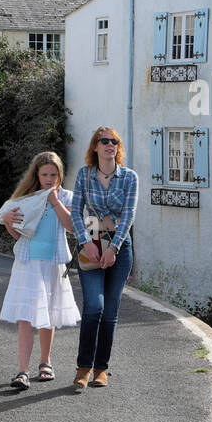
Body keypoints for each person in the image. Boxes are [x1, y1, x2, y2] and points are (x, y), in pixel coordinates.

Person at [0, 151, 80, 389]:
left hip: (53, 263)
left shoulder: (67, 197)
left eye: (54, 174)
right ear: (37, 174)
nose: (49, 179)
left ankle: (45, 362)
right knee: (26, 316)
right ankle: (22, 371)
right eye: (44, 174)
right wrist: (8, 221)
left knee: (48, 314)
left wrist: (54, 201)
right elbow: (10, 223)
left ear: (60, 174)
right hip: (28, 262)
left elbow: (72, 227)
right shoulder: (27, 197)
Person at [68, 127, 138, 393]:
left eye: (114, 141)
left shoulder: (129, 177)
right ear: (95, 146)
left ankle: (101, 369)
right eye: (104, 141)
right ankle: (83, 368)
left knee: (110, 313)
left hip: (120, 250)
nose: (110, 144)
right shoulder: (85, 176)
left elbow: (129, 215)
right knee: (93, 308)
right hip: (91, 247)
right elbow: (76, 212)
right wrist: (86, 241)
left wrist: (114, 247)